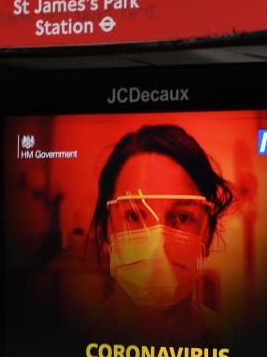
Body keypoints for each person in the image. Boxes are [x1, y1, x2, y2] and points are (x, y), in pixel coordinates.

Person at [87, 124, 234, 343]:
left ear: (209, 233)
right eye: (134, 216)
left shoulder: (239, 351)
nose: (158, 245)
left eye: (182, 217)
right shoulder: (66, 346)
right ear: (106, 230)